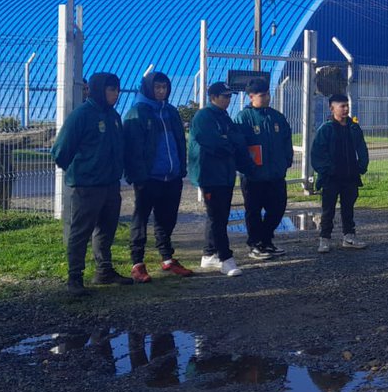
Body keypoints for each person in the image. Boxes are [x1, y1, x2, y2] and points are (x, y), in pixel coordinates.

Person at [52, 72, 131, 296]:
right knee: (81, 232)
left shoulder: (114, 116)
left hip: (110, 184)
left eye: (117, 89)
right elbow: (60, 151)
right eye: (110, 89)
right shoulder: (82, 115)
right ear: (98, 90)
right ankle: (74, 278)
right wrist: (82, 170)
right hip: (87, 186)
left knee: (106, 229)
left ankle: (104, 271)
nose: (115, 94)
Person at [123, 71, 192, 282]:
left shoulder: (171, 111)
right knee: (141, 219)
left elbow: (180, 141)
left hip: (171, 177)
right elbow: (132, 148)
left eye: (164, 87)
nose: (161, 91)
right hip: (148, 178)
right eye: (157, 87)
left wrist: (180, 168)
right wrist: (138, 175)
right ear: (148, 88)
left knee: (167, 219)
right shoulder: (138, 113)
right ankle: (137, 263)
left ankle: (167, 259)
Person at [188, 81, 255, 277]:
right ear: (213, 97)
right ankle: (226, 259)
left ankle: (209, 253)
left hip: (225, 175)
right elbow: (212, 142)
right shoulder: (204, 117)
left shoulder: (225, 117)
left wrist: (230, 143)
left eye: (229, 96)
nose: (228, 100)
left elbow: (236, 139)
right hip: (210, 175)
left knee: (219, 216)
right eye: (224, 96)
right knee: (217, 217)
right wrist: (229, 143)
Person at [234, 78, 294, 260]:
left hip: (275, 174)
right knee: (253, 211)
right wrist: (247, 167)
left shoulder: (276, 117)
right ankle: (255, 244)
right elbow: (239, 146)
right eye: (262, 95)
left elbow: (286, 140)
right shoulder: (244, 118)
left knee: (278, 208)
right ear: (251, 97)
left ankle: (266, 240)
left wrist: (286, 161)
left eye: (267, 93)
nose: (266, 97)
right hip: (253, 176)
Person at [311, 93, 369, 252]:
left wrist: (361, 166)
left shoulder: (353, 127)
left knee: (348, 207)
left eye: (347, 106)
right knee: (328, 209)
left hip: (350, 175)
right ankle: (325, 238)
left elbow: (361, 148)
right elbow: (317, 153)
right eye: (341, 106)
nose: (345, 109)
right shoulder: (326, 129)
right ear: (332, 108)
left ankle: (349, 236)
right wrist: (328, 170)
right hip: (331, 178)